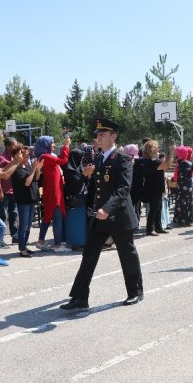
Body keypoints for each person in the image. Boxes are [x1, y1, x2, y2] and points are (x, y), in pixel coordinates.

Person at [61, 118, 144, 310]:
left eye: (103, 133)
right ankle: (80, 297)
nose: (99, 137)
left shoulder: (122, 158)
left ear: (113, 136)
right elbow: (97, 188)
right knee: (89, 255)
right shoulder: (98, 158)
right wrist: (86, 176)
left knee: (127, 254)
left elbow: (123, 188)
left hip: (118, 215)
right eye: (98, 134)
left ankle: (135, 292)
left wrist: (107, 208)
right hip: (99, 217)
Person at [35, 135, 71, 252]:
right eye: (52, 143)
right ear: (46, 145)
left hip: (51, 189)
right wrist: (66, 146)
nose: (54, 145)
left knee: (48, 217)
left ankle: (41, 241)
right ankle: (57, 245)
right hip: (54, 191)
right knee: (57, 217)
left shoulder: (45, 156)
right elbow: (63, 161)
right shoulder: (45, 156)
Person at [11, 146, 41, 257]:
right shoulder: (17, 170)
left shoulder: (27, 166)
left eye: (29, 155)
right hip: (23, 201)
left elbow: (36, 178)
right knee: (23, 226)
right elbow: (27, 182)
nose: (28, 157)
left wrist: (37, 168)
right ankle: (22, 249)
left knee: (28, 226)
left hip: (31, 199)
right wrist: (33, 169)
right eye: (26, 155)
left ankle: (24, 246)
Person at [141, 140, 173, 236]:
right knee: (154, 209)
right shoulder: (152, 162)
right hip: (153, 188)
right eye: (157, 147)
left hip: (154, 188)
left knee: (158, 208)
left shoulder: (148, 161)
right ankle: (150, 229)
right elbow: (167, 165)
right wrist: (171, 153)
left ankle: (158, 227)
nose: (158, 149)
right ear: (153, 150)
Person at [0, 137, 19, 244]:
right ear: (8, 146)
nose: (16, 147)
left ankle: (15, 235)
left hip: (13, 191)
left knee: (14, 214)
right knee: (2, 215)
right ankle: (1, 238)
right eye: (14, 145)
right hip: (3, 192)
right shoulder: (1, 158)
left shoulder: (15, 157)